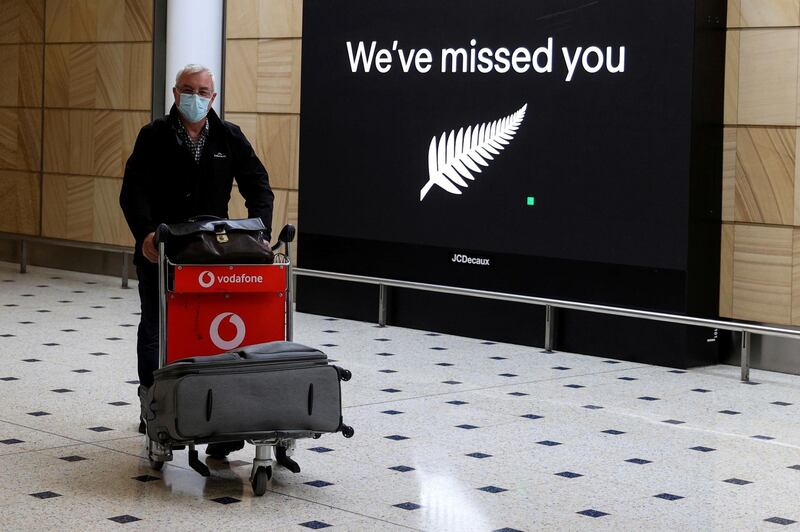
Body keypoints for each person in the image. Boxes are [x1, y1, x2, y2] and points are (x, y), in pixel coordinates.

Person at [120, 64, 274, 459]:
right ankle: (154, 405)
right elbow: (132, 192)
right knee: (157, 329)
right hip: (163, 249)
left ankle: (220, 421)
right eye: (187, 89)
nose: (194, 97)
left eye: (202, 91)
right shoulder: (153, 136)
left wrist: (259, 233)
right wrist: (145, 234)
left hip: (212, 255)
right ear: (174, 93)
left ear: (213, 97)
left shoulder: (228, 136)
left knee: (212, 333)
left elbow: (258, 185)